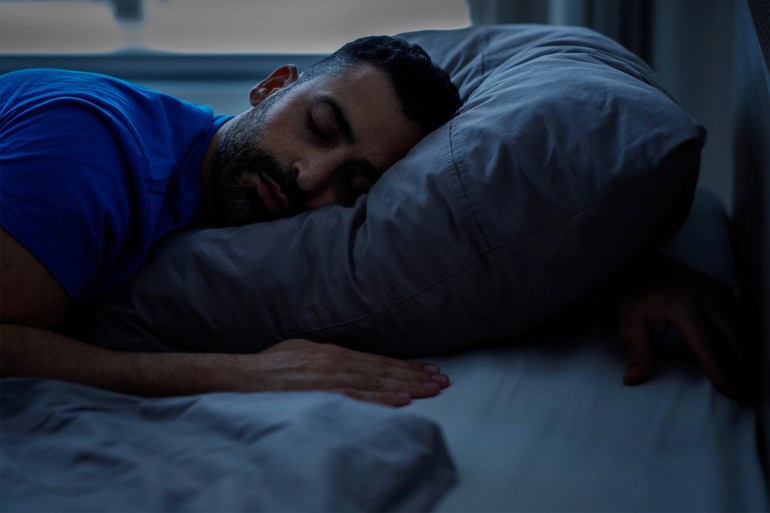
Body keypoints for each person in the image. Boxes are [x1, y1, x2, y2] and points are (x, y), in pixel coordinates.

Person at [0, 36, 461, 406]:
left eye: (353, 184)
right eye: (318, 127)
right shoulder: (92, 149)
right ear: (272, 87)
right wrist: (240, 373)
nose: (311, 177)